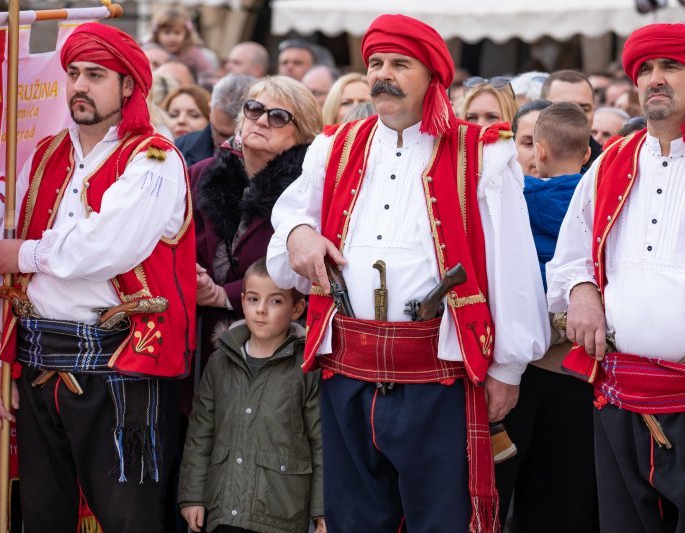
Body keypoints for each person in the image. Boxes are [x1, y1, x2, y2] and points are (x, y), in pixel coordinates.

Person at [267, 13, 549, 532]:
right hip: (347, 367)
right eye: (376, 63)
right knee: (354, 519)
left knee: (442, 520)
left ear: (433, 77)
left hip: (437, 374)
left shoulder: (483, 154)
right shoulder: (335, 146)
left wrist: (508, 368)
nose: (382, 75)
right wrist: (297, 234)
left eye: (400, 64)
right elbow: (289, 216)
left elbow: (513, 267)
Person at [547, 23, 685, 532]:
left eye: (670, 67)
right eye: (645, 69)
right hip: (619, 400)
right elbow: (569, 257)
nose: (654, 78)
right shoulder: (612, 163)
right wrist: (582, 292)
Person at [0, 22, 196, 532]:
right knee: (40, 515)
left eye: (95, 74)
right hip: (38, 361)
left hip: (120, 364)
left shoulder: (153, 159)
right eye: (73, 73)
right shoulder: (45, 155)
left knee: (129, 520)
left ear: (128, 86)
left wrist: (27, 254)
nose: (79, 85)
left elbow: (104, 249)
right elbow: (12, 284)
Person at [495, 102, 597, 532]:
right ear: (587, 153)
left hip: (548, 356)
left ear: (537, 150)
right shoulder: (596, 197)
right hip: (562, 354)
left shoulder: (522, 197)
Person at [179, 258, 324, 533]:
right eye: (254, 299)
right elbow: (200, 433)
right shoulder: (220, 361)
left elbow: (320, 444)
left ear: (297, 309)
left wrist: (322, 512)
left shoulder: (307, 367)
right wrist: (193, 495)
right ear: (242, 301)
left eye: (275, 301)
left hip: (281, 511)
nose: (261, 310)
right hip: (224, 509)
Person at [193, 76, 322, 369]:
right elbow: (176, 239)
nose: (262, 121)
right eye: (254, 109)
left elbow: (302, 270)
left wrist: (223, 294)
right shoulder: (202, 173)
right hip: (198, 343)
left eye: (278, 117)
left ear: (301, 135)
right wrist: (192, 276)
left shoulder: (308, 189)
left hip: (276, 349)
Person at [177, 73, 253, 167]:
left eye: (239, 136)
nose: (228, 144)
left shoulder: (270, 163)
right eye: (222, 134)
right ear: (210, 111)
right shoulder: (181, 149)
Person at [541, 70, 602, 168]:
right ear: (541, 109)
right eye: (563, 108)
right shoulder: (519, 158)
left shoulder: (606, 163)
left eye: (584, 109)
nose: (575, 116)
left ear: (594, 111)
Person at [150, 8, 218, 86]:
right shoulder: (153, 52)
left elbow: (207, 74)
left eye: (177, 33)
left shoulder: (193, 53)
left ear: (186, 35)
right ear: (157, 34)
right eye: (167, 32)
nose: (172, 38)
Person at [512, 99, 551, 177]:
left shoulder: (581, 188)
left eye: (550, 143)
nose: (540, 153)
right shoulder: (497, 187)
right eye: (529, 143)